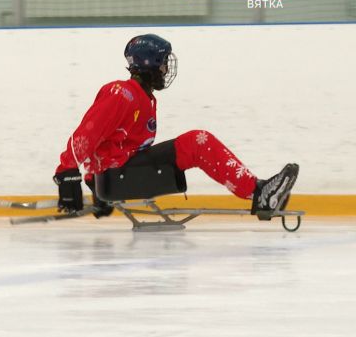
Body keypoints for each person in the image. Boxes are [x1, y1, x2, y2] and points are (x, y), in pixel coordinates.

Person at [53, 34, 299, 219]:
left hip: (117, 175)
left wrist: (94, 185)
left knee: (194, 144)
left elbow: (108, 144)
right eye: (163, 64)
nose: (166, 69)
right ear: (149, 63)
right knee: (196, 142)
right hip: (118, 175)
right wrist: (68, 174)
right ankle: (259, 193)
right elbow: (88, 133)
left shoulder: (143, 97)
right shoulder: (123, 93)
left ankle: (258, 191)